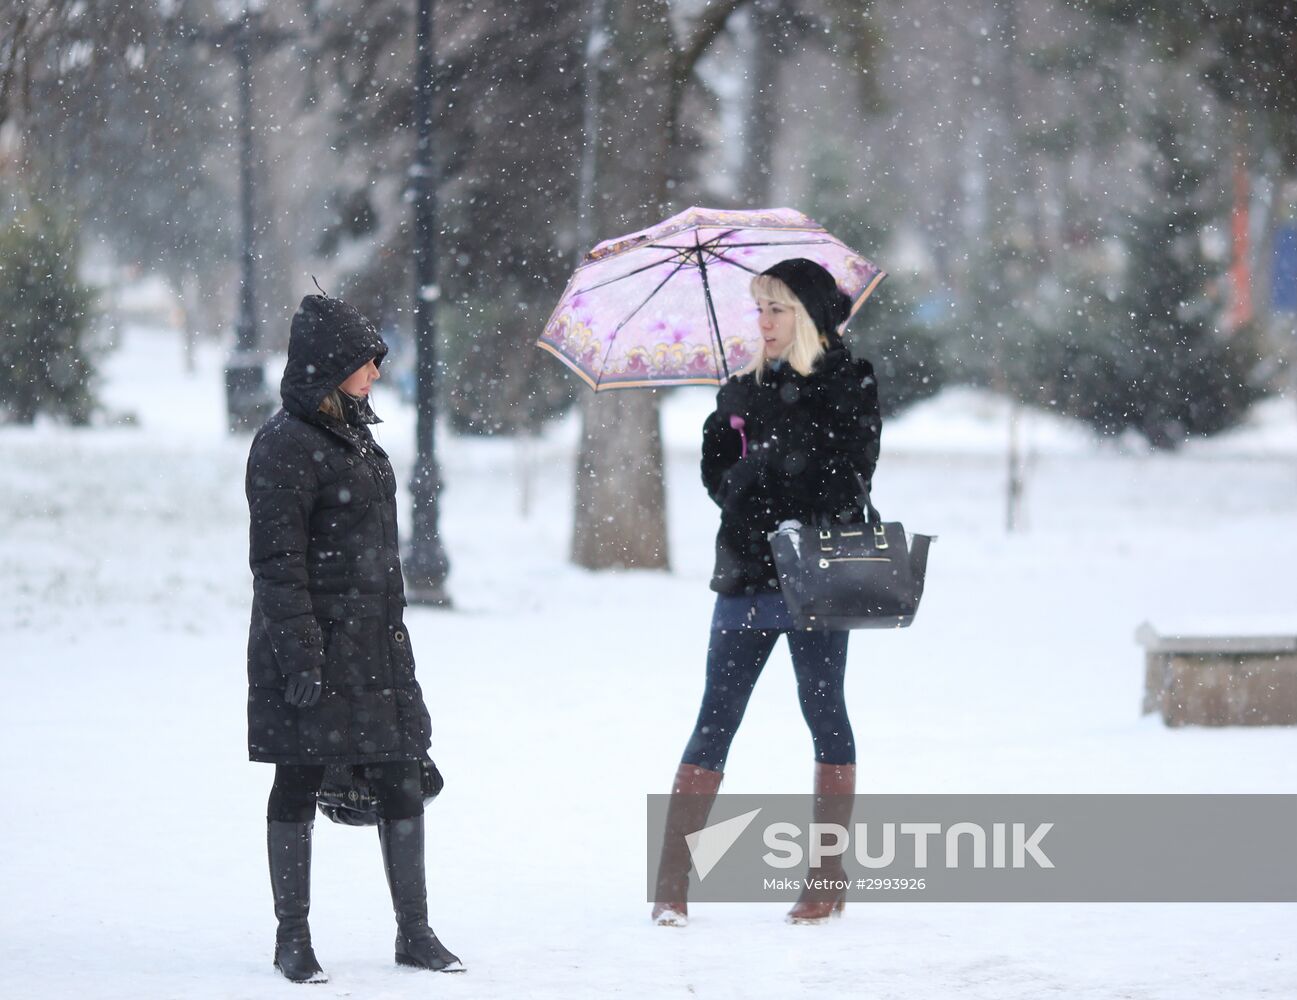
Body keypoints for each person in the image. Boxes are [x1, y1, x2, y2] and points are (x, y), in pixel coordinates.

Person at [651, 258, 882, 927]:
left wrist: (789, 459)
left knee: (823, 713)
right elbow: (719, 482)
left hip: (815, 574)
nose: (764, 322)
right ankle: (671, 884)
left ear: (806, 315)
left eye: (776, 308)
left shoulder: (849, 381)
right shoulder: (743, 387)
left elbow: (851, 480)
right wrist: (731, 444)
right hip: (747, 575)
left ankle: (825, 879)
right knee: (714, 718)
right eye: (757, 308)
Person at [245, 293, 462, 982]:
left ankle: (415, 932)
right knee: (299, 778)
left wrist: (394, 640)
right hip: (311, 644)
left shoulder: (356, 438)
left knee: (401, 777)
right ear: (329, 366)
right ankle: (292, 938)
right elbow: (277, 564)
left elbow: (380, 560)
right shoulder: (284, 445)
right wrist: (301, 654)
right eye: (365, 361)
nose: (374, 372)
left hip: (375, 647)